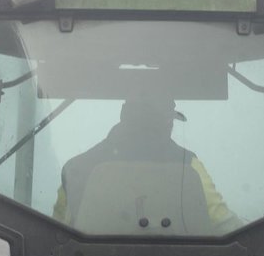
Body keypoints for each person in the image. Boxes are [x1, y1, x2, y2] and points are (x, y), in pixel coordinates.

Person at [52, 97, 240, 232]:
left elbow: (55, 234)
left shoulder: (76, 168)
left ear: (123, 117)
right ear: (167, 123)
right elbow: (225, 226)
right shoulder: (189, 166)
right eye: (169, 121)